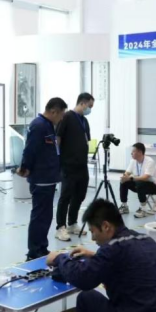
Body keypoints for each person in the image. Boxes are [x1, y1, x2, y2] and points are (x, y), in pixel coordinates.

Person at [17, 97, 67, 260]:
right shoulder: (38, 125)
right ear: (54, 111)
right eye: (61, 115)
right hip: (41, 178)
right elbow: (30, 149)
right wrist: (24, 167)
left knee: (46, 216)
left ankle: (42, 247)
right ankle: (34, 251)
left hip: (49, 177)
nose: (61, 119)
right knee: (39, 216)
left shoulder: (48, 125)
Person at [55, 93, 94, 241]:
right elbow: (58, 138)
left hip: (82, 165)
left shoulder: (84, 121)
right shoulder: (67, 117)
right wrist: (58, 160)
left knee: (80, 194)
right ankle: (60, 227)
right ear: (82, 103)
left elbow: (85, 140)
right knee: (65, 196)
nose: (90, 109)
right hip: (68, 165)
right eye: (89, 106)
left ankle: (72, 223)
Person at [119, 143, 156, 218]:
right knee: (123, 181)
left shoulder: (149, 161)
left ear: (140, 152)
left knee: (140, 183)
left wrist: (131, 178)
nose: (131, 153)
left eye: (133, 151)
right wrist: (124, 176)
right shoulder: (133, 161)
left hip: (154, 186)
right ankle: (124, 206)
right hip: (140, 184)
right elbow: (127, 172)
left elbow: (145, 178)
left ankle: (144, 210)